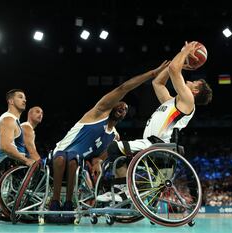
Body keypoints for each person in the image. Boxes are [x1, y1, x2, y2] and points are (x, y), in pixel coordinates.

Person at [47, 61, 169, 223]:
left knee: (73, 160)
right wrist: (152, 74)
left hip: (77, 162)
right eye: (121, 105)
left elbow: (101, 158)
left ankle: (69, 204)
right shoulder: (98, 113)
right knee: (66, 158)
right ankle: (55, 203)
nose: (123, 108)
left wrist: (99, 162)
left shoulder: (114, 137)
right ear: (112, 105)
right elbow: (123, 88)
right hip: (59, 154)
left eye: (126, 109)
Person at [98, 41, 212, 201]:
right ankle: (121, 191)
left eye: (194, 83)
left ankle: (123, 192)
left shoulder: (188, 101)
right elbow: (157, 82)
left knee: (114, 148)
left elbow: (174, 70)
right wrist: (178, 61)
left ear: (194, 91)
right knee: (119, 157)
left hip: (159, 146)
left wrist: (185, 52)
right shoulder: (171, 101)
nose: (189, 81)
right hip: (150, 144)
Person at [0, 89, 35, 175]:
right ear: (11, 101)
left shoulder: (10, 119)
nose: (24, 100)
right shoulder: (8, 120)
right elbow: (6, 146)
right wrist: (26, 161)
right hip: (9, 171)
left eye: (25, 98)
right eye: (20, 97)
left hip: (7, 169)